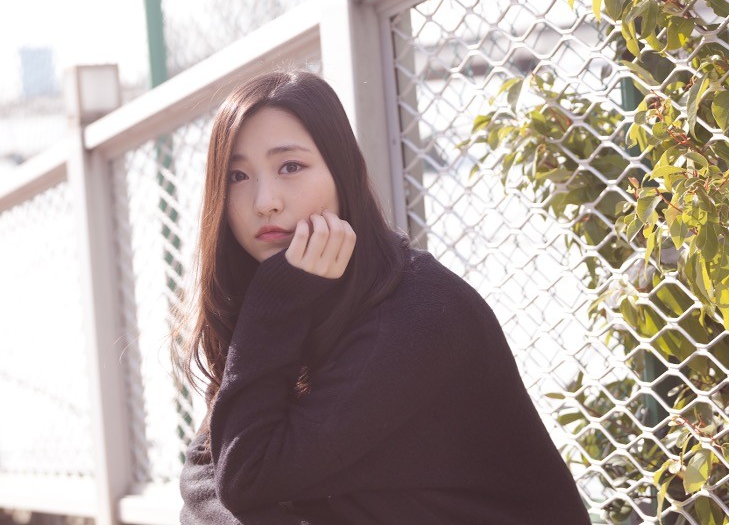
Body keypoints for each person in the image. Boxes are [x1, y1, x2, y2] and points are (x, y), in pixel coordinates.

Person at [176, 70, 592, 524]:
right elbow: (204, 473)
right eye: (237, 175)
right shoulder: (291, 298)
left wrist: (276, 304)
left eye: (290, 166)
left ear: (342, 173)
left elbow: (244, 475)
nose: (265, 201)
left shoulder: (415, 315)